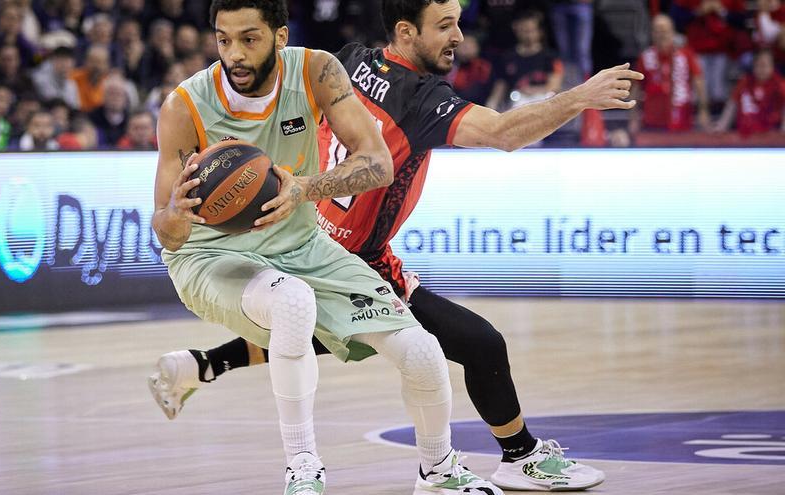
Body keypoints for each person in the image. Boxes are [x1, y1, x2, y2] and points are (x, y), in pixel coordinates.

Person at [175, 0, 643, 491]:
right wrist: (580, 97)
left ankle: (204, 364)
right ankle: (498, 460)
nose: (459, 37)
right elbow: (505, 133)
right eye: (444, 26)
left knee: (323, 331)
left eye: (458, 23)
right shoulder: (421, 97)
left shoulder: (350, 60)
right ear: (405, 31)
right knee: (473, 344)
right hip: (357, 261)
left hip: (314, 239)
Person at [149, 1, 505, 494]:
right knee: (293, 302)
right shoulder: (184, 107)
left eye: (248, 39)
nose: (234, 54)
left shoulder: (317, 70)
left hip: (300, 245)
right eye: (223, 39)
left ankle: (438, 471)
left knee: (422, 350)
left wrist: (302, 189)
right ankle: (303, 470)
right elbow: (165, 232)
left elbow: (377, 163)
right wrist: (177, 215)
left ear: (279, 36)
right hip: (210, 257)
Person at [629, 14, 710, 134]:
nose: (662, 35)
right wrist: (633, 118)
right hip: (653, 123)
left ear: (672, 32)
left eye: (665, 31)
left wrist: (703, 111)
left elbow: (699, 82)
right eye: (658, 31)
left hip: (682, 121)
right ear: (652, 33)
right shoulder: (645, 57)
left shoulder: (686, 55)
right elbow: (636, 88)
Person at [486, 10, 564, 113]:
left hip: (544, 102)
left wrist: (532, 91)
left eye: (531, 30)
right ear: (516, 30)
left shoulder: (551, 57)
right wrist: (489, 108)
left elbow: (554, 86)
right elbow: (500, 88)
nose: (528, 35)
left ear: (540, 31)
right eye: (524, 30)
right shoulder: (507, 58)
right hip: (518, 104)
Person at [714, 49, 785, 135]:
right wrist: (722, 126)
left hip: (770, 135)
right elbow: (732, 104)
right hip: (745, 135)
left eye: (765, 65)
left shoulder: (779, 83)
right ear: (754, 66)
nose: (762, 69)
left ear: (772, 66)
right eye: (759, 65)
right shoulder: (745, 82)